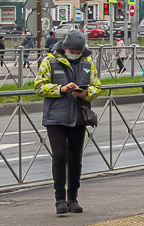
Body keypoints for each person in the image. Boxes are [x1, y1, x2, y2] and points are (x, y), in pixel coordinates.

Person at [34, 29, 100, 215]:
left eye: (78, 52)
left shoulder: (87, 63)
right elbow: (39, 87)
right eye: (73, 52)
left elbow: (97, 86)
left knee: (75, 158)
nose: (75, 55)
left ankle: (73, 198)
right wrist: (61, 88)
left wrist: (86, 93)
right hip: (55, 117)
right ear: (65, 48)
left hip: (78, 116)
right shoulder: (50, 61)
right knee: (60, 156)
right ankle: (60, 199)